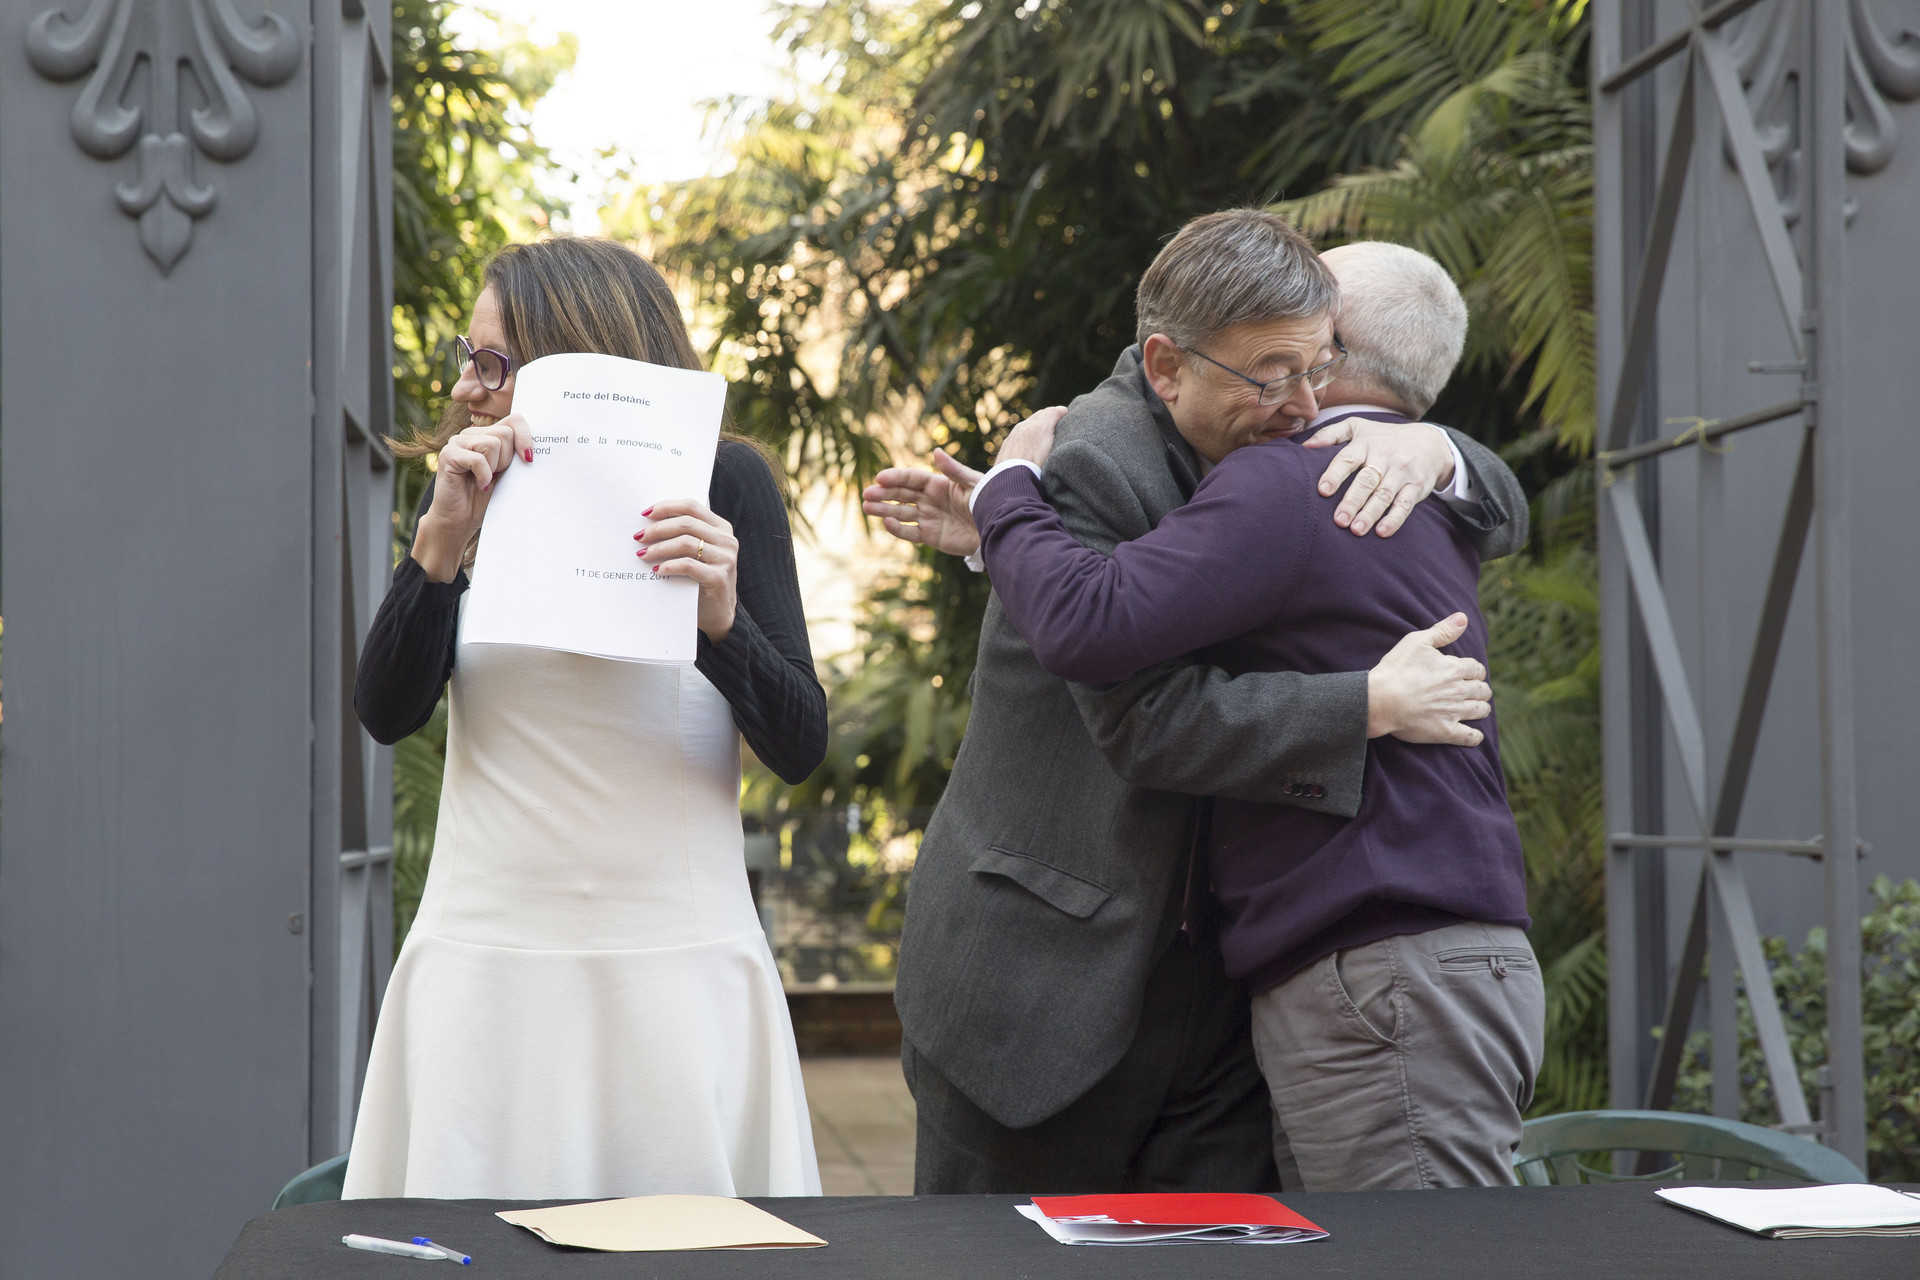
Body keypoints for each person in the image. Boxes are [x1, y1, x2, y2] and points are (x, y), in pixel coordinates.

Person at [876, 210, 1527, 1194]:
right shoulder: (1091, 454)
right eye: (1276, 373)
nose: (1305, 403)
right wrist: (1364, 703)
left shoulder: (1340, 451)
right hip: (1043, 979)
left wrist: (1439, 449)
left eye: (1323, 363)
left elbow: (1502, 506)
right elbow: (1138, 709)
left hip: (1223, 1003)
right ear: (1168, 366)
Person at [341, 237, 827, 1200]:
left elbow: (799, 742)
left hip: (676, 967)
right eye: (469, 360)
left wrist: (721, 620)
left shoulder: (724, 483)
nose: (468, 388)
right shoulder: (471, 489)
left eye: (494, 363)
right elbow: (387, 712)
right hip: (487, 959)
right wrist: (441, 542)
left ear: (579, 363)